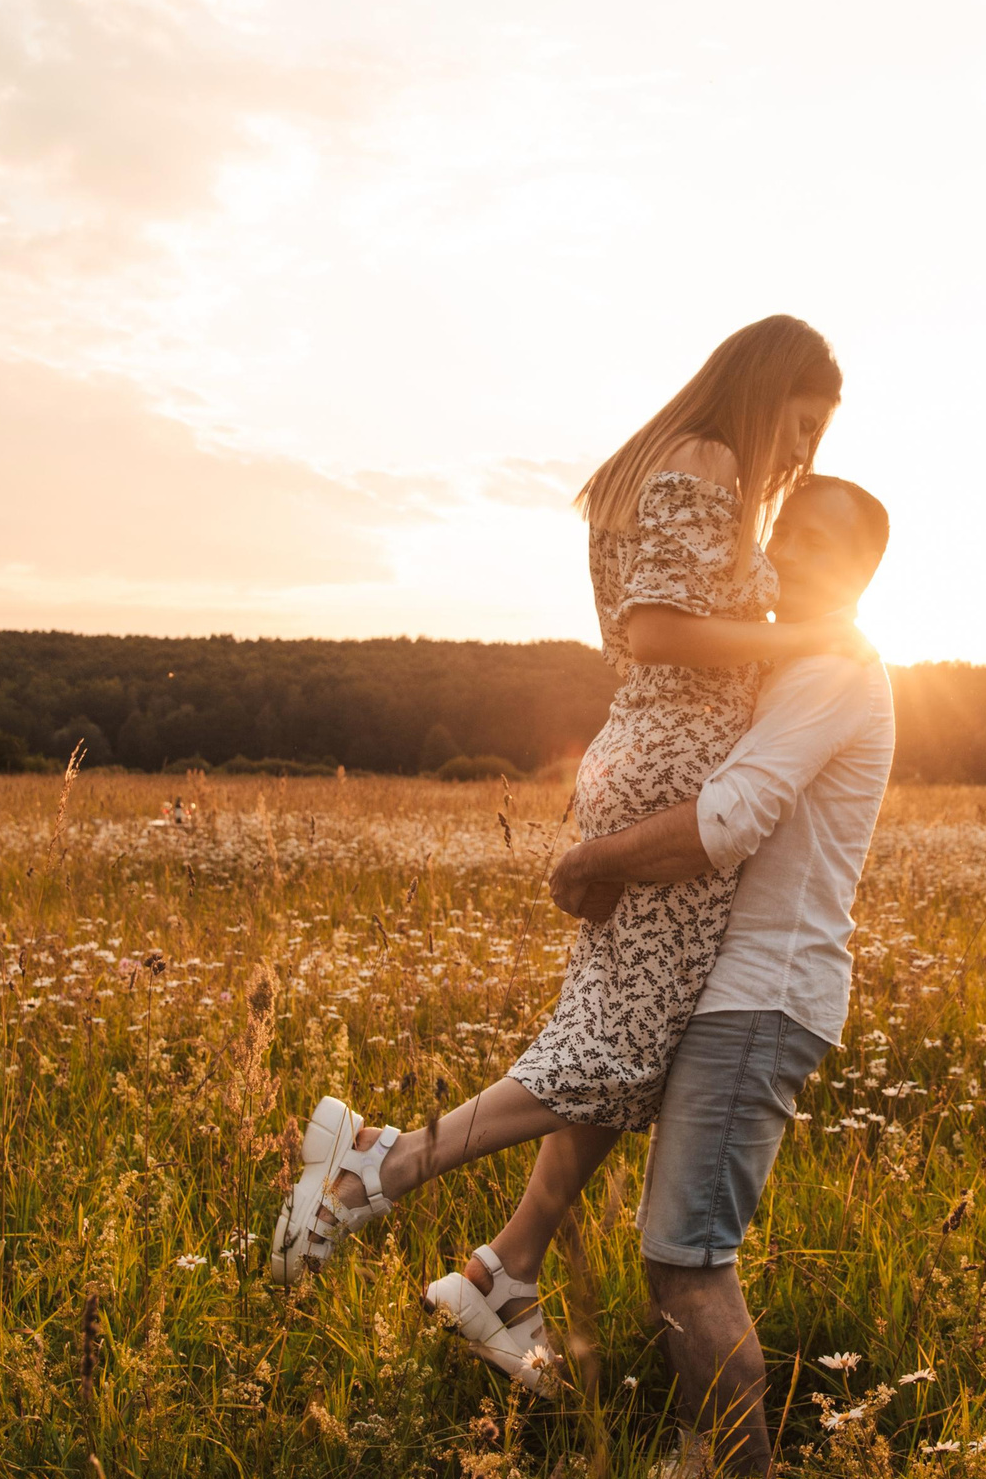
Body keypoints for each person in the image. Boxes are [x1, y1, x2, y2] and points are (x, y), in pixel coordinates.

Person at [268, 317, 860, 1392]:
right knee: (621, 1056)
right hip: (676, 767)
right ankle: (385, 1160)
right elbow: (657, 628)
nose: (801, 452)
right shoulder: (706, 459)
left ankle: (506, 1272)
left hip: (645, 748)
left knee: (621, 1040)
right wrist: (802, 637)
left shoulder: (658, 463)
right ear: (764, 387)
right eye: (802, 423)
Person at [545, 474, 895, 1478]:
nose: (791, 553)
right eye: (788, 531)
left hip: (761, 997)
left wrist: (595, 861)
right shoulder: (782, 663)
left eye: (824, 544)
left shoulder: (833, 670)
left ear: (865, 574)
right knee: (679, 1249)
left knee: (688, 1259)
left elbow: (729, 818)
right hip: (733, 991)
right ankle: (714, 1478)